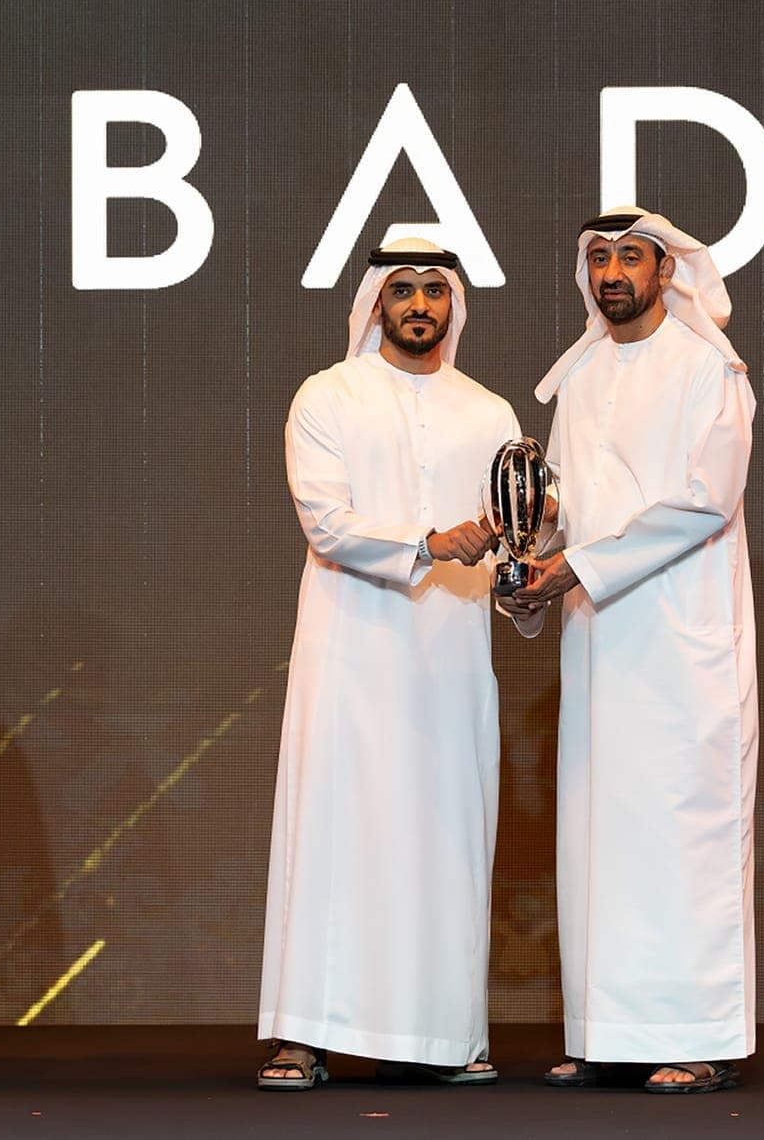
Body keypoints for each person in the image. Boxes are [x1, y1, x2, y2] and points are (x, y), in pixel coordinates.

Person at [503, 207, 759, 1095]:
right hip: (600, 640)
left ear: (665, 270)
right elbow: (568, 510)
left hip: (682, 641)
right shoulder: (577, 379)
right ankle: (605, 1032)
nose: (614, 272)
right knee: (598, 835)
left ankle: (696, 1036)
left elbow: (703, 500)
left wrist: (576, 563)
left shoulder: (707, 369)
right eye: (600, 259)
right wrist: (536, 567)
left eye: (631, 257)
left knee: (681, 833)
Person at [256, 237, 520, 1091]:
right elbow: (325, 522)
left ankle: (443, 1034)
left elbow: (514, 531)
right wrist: (426, 543)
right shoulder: (326, 396)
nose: (418, 305)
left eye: (433, 290)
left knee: (445, 838)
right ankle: (305, 1035)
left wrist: (521, 579)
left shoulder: (490, 413)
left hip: (449, 660)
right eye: (401, 289)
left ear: (454, 305)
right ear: (376, 301)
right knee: (334, 835)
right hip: (349, 654)